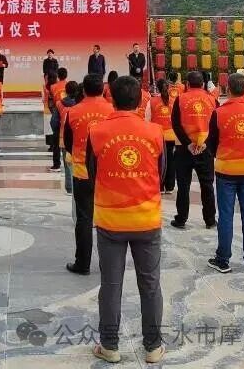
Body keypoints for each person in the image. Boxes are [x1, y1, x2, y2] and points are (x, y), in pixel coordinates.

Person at [86, 76, 166, 364]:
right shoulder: (155, 131)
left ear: (112, 99)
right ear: (140, 100)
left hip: (110, 221)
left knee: (111, 284)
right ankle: (153, 347)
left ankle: (109, 345)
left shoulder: (97, 131)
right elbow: (161, 174)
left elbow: (92, 173)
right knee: (150, 284)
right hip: (146, 219)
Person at [205, 74, 244, 273]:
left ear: (227, 89)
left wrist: (222, 155)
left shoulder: (219, 113)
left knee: (225, 216)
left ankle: (223, 259)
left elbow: (211, 142)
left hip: (226, 171)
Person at [63, 74, 113, 275]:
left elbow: (68, 143)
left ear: (84, 90)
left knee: (84, 218)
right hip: (108, 173)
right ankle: (109, 264)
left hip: (82, 172)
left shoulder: (73, 111)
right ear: (102, 89)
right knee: (107, 218)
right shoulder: (112, 110)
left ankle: (82, 263)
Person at [170, 71, 217, 229]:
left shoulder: (180, 99)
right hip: (205, 149)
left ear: (187, 84)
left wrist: (188, 144)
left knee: (183, 185)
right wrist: (206, 144)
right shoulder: (212, 99)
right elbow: (216, 126)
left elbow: (175, 124)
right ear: (203, 84)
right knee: (207, 185)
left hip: (184, 149)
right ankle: (210, 220)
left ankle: (181, 219)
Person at [150, 79, 177, 194]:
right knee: (171, 160)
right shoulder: (174, 101)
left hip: (158, 135)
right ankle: (170, 186)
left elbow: (148, 118)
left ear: (157, 88)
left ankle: (160, 186)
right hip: (171, 136)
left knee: (159, 161)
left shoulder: (152, 101)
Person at [55, 81, 80, 194]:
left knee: (67, 163)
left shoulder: (59, 104)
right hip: (78, 137)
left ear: (66, 91)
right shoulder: (80, 105)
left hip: (63, 137)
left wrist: (58, 130)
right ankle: (78, 184)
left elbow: (54, 122)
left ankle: (69, 186)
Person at [48, 68, 70, 169]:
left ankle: (56, 164)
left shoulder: (53, 87)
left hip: (57, 115)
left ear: (58, 75)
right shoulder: (69, 85)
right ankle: (69, 164)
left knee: (56, 140)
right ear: (66, 75)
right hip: (70, 116)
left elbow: (51, 102)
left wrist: (54, 113)